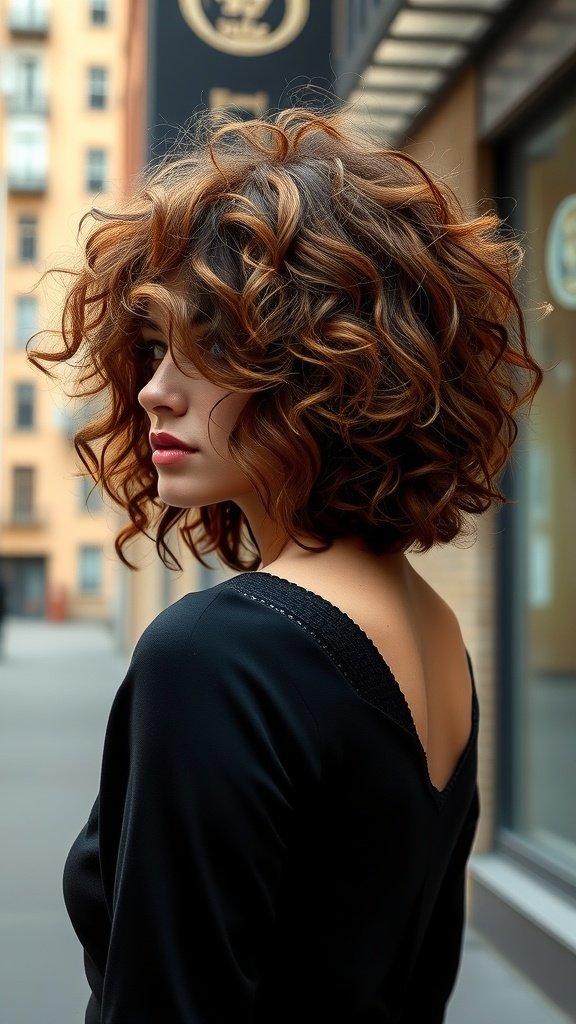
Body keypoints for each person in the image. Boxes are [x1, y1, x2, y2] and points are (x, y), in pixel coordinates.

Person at [31, 106, 541, 1023]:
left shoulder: (223, 654)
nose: (154, 387)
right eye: (156, 345)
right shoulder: (433, 632)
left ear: (329, 367)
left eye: (214, 343)